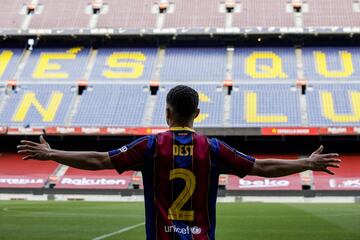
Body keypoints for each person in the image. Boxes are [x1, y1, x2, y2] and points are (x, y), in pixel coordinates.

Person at [17, 85, 341, 240]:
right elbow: (262, 167)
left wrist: (51, 154)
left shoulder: (150, 145)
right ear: (197, 114)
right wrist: (307, 164)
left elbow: (99, 159)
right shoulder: (213, 148)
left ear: (167, 113)